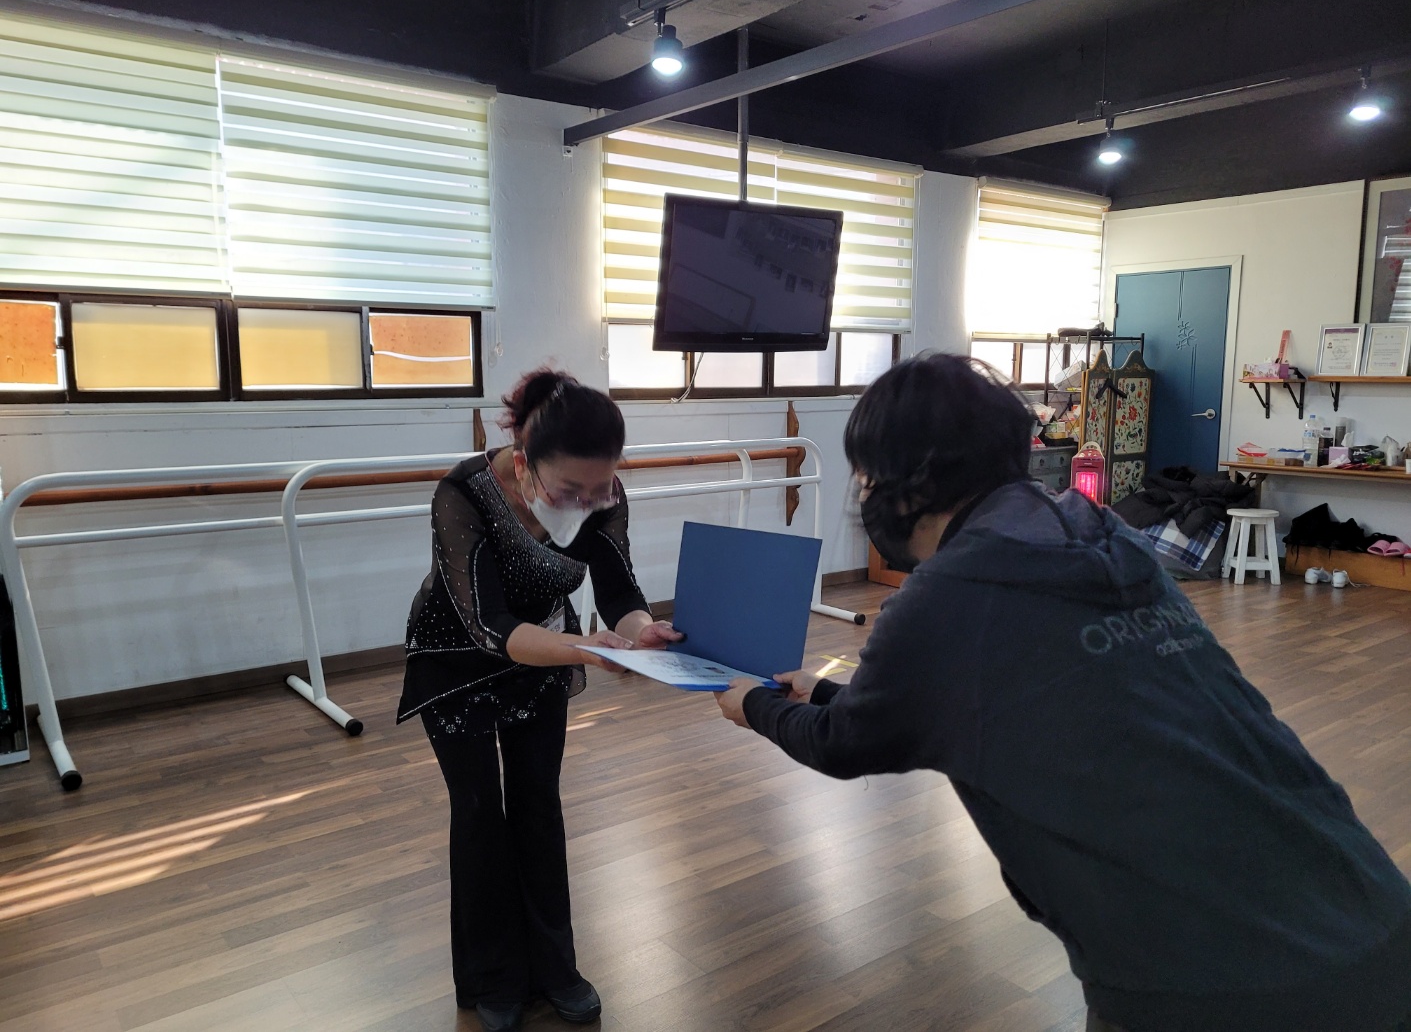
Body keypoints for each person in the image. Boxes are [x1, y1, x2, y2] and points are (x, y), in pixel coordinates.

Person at [714, 353, 1411, 1032]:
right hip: (1367, 908)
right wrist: (827, 690)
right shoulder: (1106, 539)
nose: (866, 495)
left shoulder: (946, 595)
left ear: (911, 480)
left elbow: (847, 745)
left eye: (868, 476)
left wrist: (754, 705)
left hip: (1219, 981)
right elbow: (977, 700)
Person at [398, 368, 680, 1032]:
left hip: (546, 656)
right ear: (524, 465)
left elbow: (618, 589)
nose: (585, 503)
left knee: (537, 804)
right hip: (457, 659)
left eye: (598, 489)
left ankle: (556, 969)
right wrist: (587, 649)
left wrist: (642, 632)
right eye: (568, 491)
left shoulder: (602, 493)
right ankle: (492, 978)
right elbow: (489, 625)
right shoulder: (463, 492)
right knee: (478, 814)